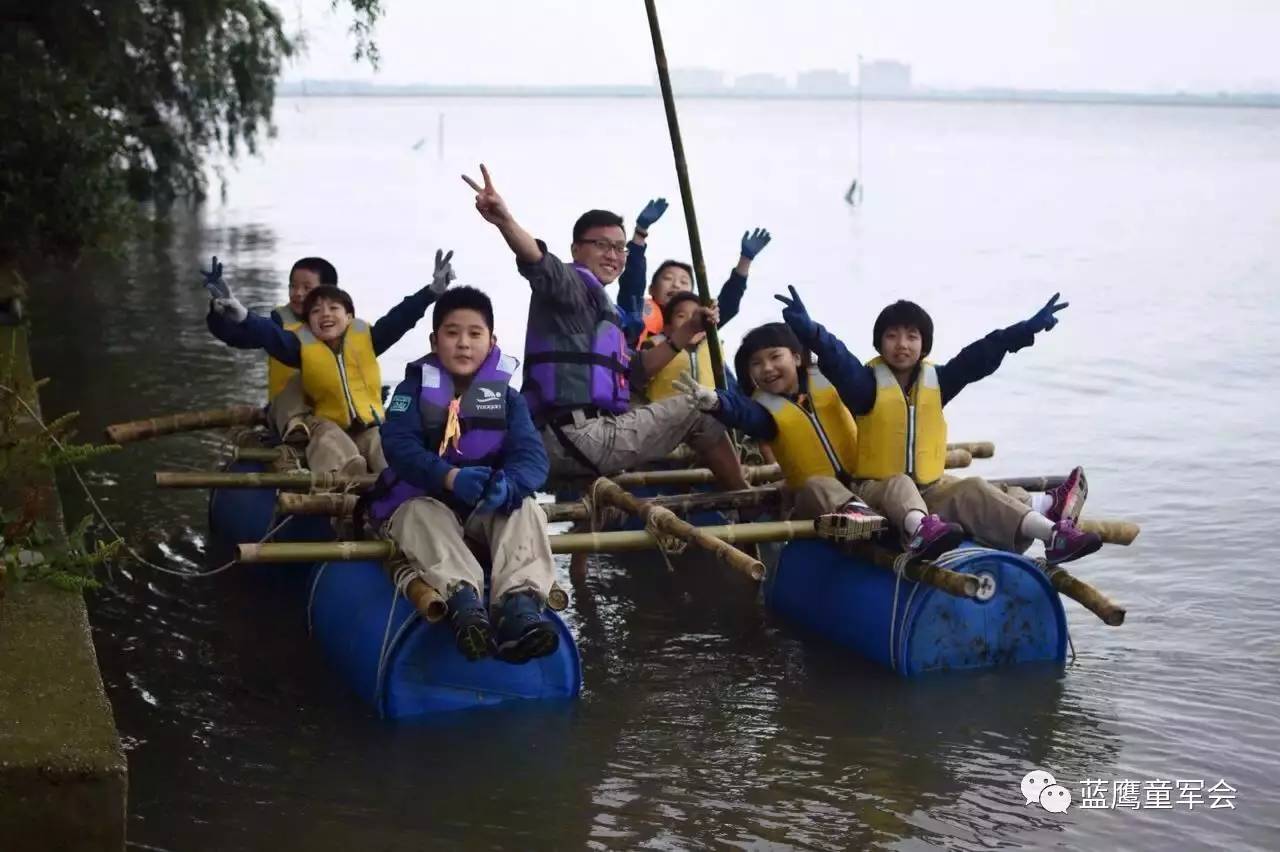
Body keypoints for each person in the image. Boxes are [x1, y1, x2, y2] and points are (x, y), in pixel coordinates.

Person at [460, 164, 748, 490]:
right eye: (601, 245)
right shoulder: (567, 284)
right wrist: (504, 221)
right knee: (702, 409)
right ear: (575, 250)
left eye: (619, 247)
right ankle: (744, 500)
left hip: (568, 440)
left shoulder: (605, 310)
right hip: (577, 437)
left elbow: (636, 370)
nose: (613, 255)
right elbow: (537, 261)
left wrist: (687, 329)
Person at [771, 286, 1097, 564]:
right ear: (879, 344)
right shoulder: (865, 386)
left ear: (924, 346)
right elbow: (839, 361)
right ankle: (916, 532)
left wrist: (1023, 331)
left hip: (930, 493)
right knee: (900, 483)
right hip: (876, 494)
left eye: (912, 337)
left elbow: (977, 357)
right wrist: (813, 333)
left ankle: (1053, 535)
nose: (902, 344)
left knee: (973, 489)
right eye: (892, 336)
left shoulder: (937, 382)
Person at [364, 286, 560, 663]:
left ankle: (520, 608)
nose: (464, 344)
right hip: (426, 503)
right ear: (435, 341)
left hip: (484, 506)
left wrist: (510, 486)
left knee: (526, 509)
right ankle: (465, 606)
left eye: (475, 334)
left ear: (492, 341)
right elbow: (398, 446)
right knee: (421, 513)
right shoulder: (411, 391)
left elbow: (532, 457)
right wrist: (449, 477)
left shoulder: (508, 398)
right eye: (452, 333)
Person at [209, 253, 454, 475]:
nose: (325, 314)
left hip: (366, 423)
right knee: (326, 436)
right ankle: (343, 473)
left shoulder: (367, 338)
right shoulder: (295, 341)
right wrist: (238, 312)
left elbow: (400, 317)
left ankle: (402, 477)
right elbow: (263, 333)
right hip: (316, 420)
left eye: (333, 308)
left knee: (384, 442)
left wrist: (432, 291)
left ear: (349, 317)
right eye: (315, 311)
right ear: (309, 322)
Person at [674, 321, 879, 535]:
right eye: (756, 363)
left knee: (897, 483)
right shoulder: (763, 410)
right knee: (816, 486)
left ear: (797, 357)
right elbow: (744, 413)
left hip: (861, 484)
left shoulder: (831, 381)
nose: (767, 368)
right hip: (818, 501)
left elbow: (844, 365)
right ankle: (864, 525)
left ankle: (907, 526)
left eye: (775, 357)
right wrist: (718, 402)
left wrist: (814, 332)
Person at [203, 255, 340, 438]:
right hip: (284, 420)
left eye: (307, 288)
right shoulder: (277, 325)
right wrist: (220, 314)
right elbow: (238, 336)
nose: (297, 293)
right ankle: (294, 431)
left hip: (332, 418)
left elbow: (288, 345)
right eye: (293, 286)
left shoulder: (341, 329)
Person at [615, 196, 771, 346]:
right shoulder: (635, 308)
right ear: (651, 289)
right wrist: (640, 232)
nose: (676, 285)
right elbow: (632, 279)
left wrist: (745, 260)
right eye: (668, 278)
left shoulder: (700, 321)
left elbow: (728, 304)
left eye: (684, 282)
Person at [629, 290, 724, 403]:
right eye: (681, 316)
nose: (691, 319)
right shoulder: (655, 345)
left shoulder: (714, 349)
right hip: (663, 416)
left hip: (706, 413)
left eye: (696, 315)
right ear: (667, 328)